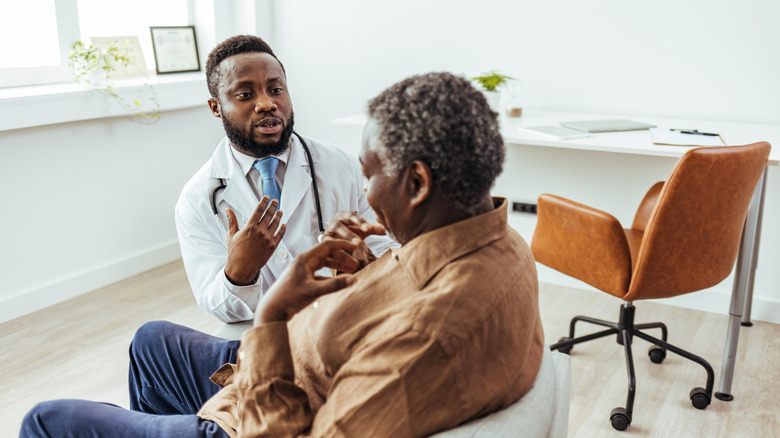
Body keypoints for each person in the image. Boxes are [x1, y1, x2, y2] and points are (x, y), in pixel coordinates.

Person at [20, 72, 545, 438]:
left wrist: (274, 315)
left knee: (45, 420)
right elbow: (402, 290)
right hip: (304, 360)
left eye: (369, 174)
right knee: (151, 340)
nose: (364, 190)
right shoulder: (496, 239)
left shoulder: (427, 340)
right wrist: (364, 266)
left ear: (417, 183)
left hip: (274, 403)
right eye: (244, 93)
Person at [175, 35, 396, 323]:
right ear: (216, 107)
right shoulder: (197, 198)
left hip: (345, 321)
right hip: (264, 334)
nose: (267, 103)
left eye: (276, 89)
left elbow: (393, 259)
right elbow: (216, 307)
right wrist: (240, 270)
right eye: (245, 95)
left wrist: (362, 257)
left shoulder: (344, 166)